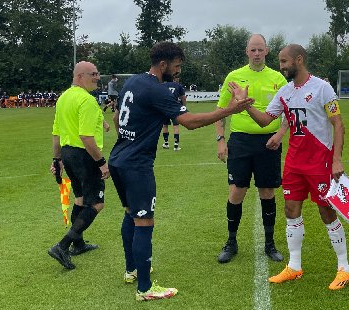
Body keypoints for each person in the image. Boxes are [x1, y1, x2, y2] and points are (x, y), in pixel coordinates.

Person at [108, 41, 253, 301]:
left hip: (118, 158)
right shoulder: (158, 90)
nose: (177, 73)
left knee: (131, 214)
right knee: (144, 221)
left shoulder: (132, 82)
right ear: (163, 65)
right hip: (136, 165)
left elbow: (118, 119)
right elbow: (189, 122)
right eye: (176, 67)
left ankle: (132, 269)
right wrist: (231, 109)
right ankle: (144, 288)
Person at [239, 44, 349, 290]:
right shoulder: (284, 92)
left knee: (326, 212)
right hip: (293, 163)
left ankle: (344, 268)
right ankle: (294, 266)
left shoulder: (323, 88)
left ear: (299, 60)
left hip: (320, 162)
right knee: (291, 211)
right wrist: (245, 105)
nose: (281, 66)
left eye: (284, 61)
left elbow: (338, 124)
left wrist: (337, 159)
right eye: (280, 62)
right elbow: (265, 120)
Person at [213, 34, 288, 264]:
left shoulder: (278, 78)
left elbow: (288, 112)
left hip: (269, 143)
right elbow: (221, 111)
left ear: (266, 51)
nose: (256, 54)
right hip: (241, 142)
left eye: (260, 50)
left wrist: (279, 134)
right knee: (237, 192)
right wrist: (221, 140)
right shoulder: (234, 77)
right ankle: (231, 242)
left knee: (267, 191)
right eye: (252, 50)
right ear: (247, 52)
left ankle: (270, 244)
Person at [48, 61, 110, 270]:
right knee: (96, 203)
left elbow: (56, 133)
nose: (97, 77)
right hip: (85, 156)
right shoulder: (87, 100)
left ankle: (79, 244)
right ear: (79, 76)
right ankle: (63, 246)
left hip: (68, 154)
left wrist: (57, 159)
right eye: (93, 74)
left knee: (81, 199)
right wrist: (101, 163)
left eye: (97, 73)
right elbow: (86, 136)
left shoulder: (64, 98)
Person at [161, 76, 186, 150]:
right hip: (175, 108)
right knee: (176, 126)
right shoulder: (178, 86)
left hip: (165, 108)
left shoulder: (163, 85)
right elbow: (183, 98)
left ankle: (166, 143)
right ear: (174, 79)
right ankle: (176, 145)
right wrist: (184, 107)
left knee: (165, 125)